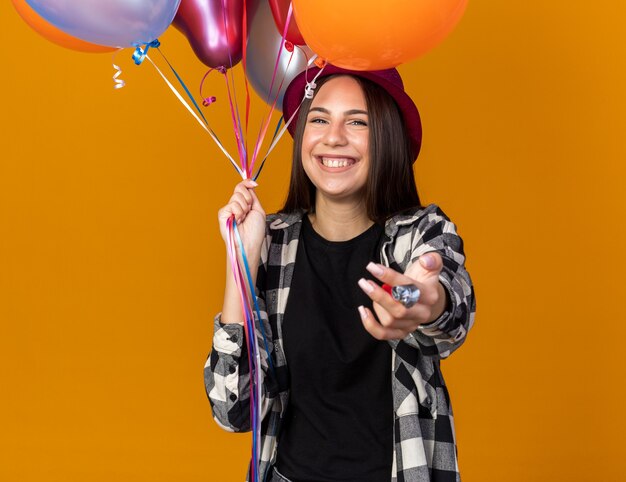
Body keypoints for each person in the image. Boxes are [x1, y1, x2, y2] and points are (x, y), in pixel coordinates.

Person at [205, 65, 476, 482]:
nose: (333, 137)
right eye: (318, 119)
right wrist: (241, 258)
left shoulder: (420, 234)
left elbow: (447, 309)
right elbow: (232, 410)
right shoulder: (274, 244)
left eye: (357, 121)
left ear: (386, 136)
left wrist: (417, 300)